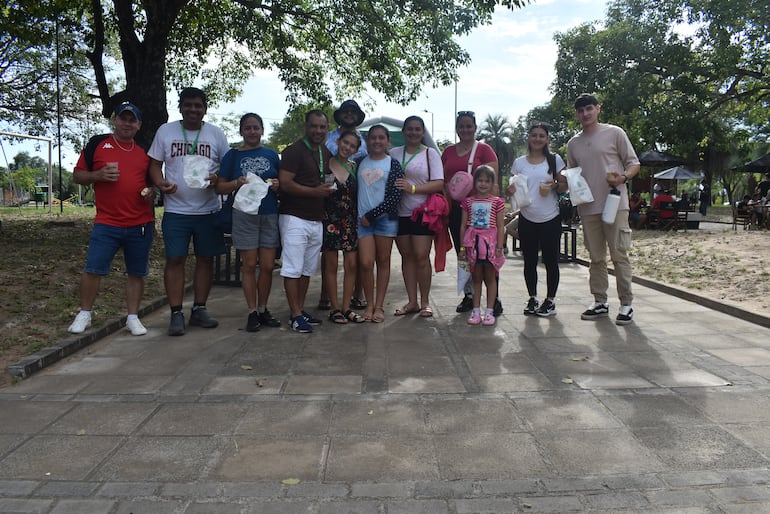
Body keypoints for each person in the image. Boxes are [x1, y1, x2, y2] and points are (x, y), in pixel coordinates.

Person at [148, 87, 231, 336]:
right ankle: (176, 312)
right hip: (176, 210)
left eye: (198, 105)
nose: (193, 109)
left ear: (205, 109)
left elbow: (226, 168)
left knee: (205, 259)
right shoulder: (166, 131)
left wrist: (217, 178)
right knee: (175, 259)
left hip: (208, 210)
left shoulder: (216, 134)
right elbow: (154, 164)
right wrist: (160, 183)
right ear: (181, 107)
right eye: (188, 105)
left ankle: (199, 309)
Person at [68, 102, 154, 336]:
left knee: (137, 272)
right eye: (123, 118)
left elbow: (152, 182)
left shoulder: (144, 151)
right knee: (93, 268)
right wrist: (97, 175)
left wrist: (151, 192)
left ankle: (133, 317)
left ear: (139, 125)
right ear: (115, 120)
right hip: (107, 222)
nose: (127, 123)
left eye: (132, 120)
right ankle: (85, 314)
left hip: (140, 223)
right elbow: (77, 175)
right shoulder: (98, 144)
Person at [566, 93, 640, 326]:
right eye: (581, 111)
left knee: (619, 254)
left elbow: (634, 163)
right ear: (576, 114)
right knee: (596, 257)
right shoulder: (573, 143)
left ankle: (626, 304)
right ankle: (600, 301)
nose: (585, 114)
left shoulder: (615, 133)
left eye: (589, 108)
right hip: (588, 208)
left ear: (598, 109)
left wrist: (623, 177)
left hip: (615, 203)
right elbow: (572, 175)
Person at [216, 113, 282, 332]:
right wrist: (237, 182)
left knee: (267, 266)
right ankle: (252, 311)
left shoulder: (271, 154)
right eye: (248, 128)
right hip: (244, 215)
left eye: (256, 128)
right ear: (241, 131)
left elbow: (282, 184)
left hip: (269, 214)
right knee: (249, 265)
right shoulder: (233, 156)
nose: (252, 132)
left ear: (262, 130)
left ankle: (263, 309)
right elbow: (220, 187)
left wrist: (277, 185)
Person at [441, 111, 502, 316]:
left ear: (475, 128)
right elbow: (443, 181)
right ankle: (469, 295)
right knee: (465, 252)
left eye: (469, 126)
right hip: (457, 211)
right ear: (456, 128)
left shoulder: (485, 150)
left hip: (482, 212)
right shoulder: (448, 151)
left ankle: (494, 298)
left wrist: (495, 211)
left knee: (488, 254)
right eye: (461, 126)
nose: (465, 130)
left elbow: (492, 182)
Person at [278, 109, 334, 333]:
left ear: (327, 129)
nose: (318, 130)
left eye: (322, 127)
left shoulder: (325, 152)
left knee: (307, 269)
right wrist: (314, 192)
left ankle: (300, 310)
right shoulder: (294, 151)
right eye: (314, 126)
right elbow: (285, 183)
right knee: (293, 268)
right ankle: (294, 315)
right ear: (306, 127)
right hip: (294, 217)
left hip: (315, 218)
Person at [505, 122, 567, 317]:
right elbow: (513, 188)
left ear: (547, 139)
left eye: (541, 136)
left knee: (550, 261)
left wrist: (555, 185)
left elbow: (565, 185)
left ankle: (550, 301)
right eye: (534, 135)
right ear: (529, 138)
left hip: (551, 217)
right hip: (527, 217)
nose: (537, 139)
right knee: (529, 261)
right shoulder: (519, 163)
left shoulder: (555, 160)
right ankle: (532, 298)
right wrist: (509, 191)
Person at [390, 116, 444, 318]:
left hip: (423, 212)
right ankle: (412, 301)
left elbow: (438, 183)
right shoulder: (394, 153)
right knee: (407, 257)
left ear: (423, 132)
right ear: (403, 131)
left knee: (421, 256)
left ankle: (425, 302)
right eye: (410, 129)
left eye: (417, 129)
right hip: (399, 213)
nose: (413, 133)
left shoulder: (430, 154)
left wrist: (412, 188)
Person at [320, 99, 368, 311]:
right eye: (346, 111)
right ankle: (330, 301)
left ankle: (351, 301)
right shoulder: (327, 141)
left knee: (353, 263)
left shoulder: (362, 147)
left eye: (353, 112)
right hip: (330, 216)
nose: (349, 115)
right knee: (329, 263)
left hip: (351, 216)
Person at [356, 125, 403, 323]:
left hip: (384, 220)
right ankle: (368, 304)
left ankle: (379, 306)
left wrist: (373, 214)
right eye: (373, 137)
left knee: (383, 262)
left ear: (387, 141)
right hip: (362, 221)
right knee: (366, 263)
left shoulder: (393, 164)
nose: (377, 141)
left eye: (381, 138)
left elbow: (396, 195)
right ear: (367, 141)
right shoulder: (359, 162)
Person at [459, 165, 505, 326]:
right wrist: (462, 248)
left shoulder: (497, 202)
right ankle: (476, 311)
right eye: (480, 180)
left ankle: (489, 312)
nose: (483, 184)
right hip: (473, 246)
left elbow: (500, 226)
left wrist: (499, 247)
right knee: (476, 278)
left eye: (487, 181)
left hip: (491, 247)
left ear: (492, 183)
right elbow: (463, 225)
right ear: (474, 182)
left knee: (491, 278)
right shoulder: (467, 202)